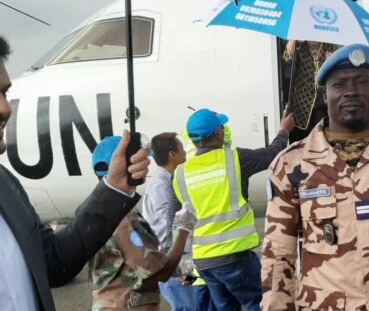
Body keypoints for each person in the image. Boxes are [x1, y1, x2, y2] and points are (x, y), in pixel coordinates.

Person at [262, 43, 369, 311]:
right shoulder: (291, 165)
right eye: (339, 84)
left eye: (361, 82)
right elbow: (279, 256)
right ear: (324, 96)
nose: (351, 92)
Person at [0, 35, 150, 311]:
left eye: (4, 93)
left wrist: (114, 187)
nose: (5, 109)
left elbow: (53, 263)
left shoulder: (5, 186)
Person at [173, 108, 295, 311]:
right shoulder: (234, 159)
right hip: (234, 256)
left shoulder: (180, 174)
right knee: (259, 303)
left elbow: (182, 222)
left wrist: (185, 268)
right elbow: (272, 154)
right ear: (218, 133)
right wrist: (284, 130)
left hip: (204, 262)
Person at [89, 136, 198, 311]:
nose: (146, 164)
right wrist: (183, 229)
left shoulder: (96, 211)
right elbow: (160, 273)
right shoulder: (125, 219)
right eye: (139, 159)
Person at [142, 132, 195, 310]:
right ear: (173, 155)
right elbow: (166, 228)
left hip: (180, 260)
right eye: (182, 150)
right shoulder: (162, 186)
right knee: (186, 306)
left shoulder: (169, 180)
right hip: (170, 260)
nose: (186, 155)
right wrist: (172, 266)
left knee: (192, 303)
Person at [282, 40, 337, 139]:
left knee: (321, 138)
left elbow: (337, 74)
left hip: (322, 104)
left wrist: (332, 64)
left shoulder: (331, 47)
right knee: (299, 142)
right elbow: (287, 58)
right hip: (301, 105)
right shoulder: (299, 46)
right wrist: (295, 35)